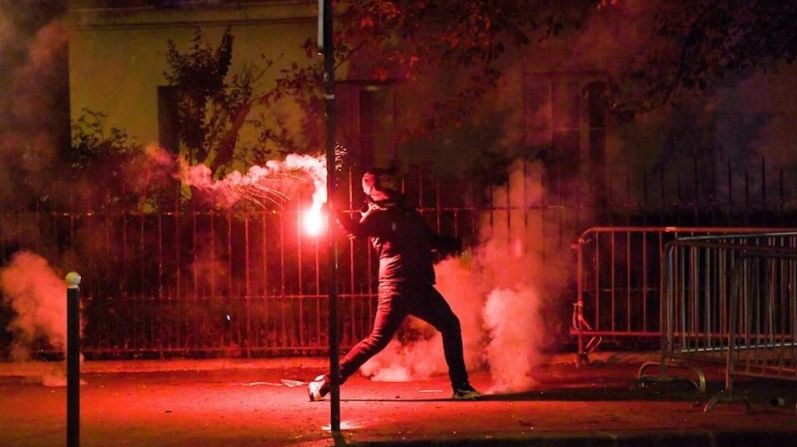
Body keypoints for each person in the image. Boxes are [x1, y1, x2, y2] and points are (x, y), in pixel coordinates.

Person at [308, 167, 481, 401]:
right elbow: (356, 230)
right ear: (373, 187)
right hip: (397, 286)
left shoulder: (408, 214)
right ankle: (327, 381)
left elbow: (431, 240)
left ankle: (461, 388)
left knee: (450, 325)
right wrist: (335, 211)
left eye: (392, 181)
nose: (391, 185)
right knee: (377, 341)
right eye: (385, 182)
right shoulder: (377, 214)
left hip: (420, 285)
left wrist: (459, 244)